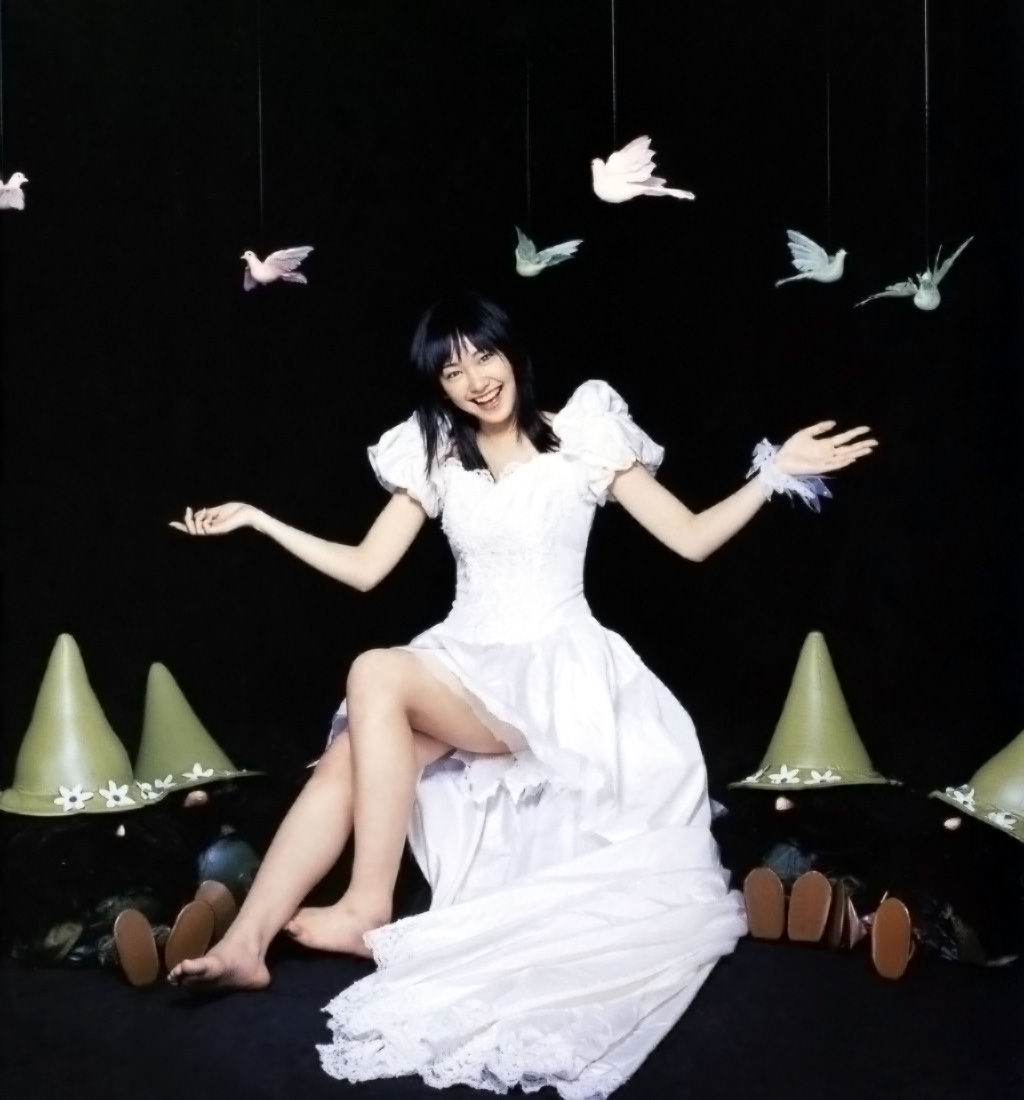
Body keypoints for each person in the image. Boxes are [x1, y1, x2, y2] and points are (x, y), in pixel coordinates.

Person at [168, 292, 876, 1097]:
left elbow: (689, 539)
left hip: (551, 677)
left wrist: (775, 473)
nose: (475, 379)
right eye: (452, 371)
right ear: (439, 387)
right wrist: (261, 520)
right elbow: (365, 568)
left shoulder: (585, 434)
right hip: (460, 661)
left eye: (483, 356)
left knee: (373, 671)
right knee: (349, 757)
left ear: (511, 352)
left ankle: (367, 905)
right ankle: (245, 946)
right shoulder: (436, 455)